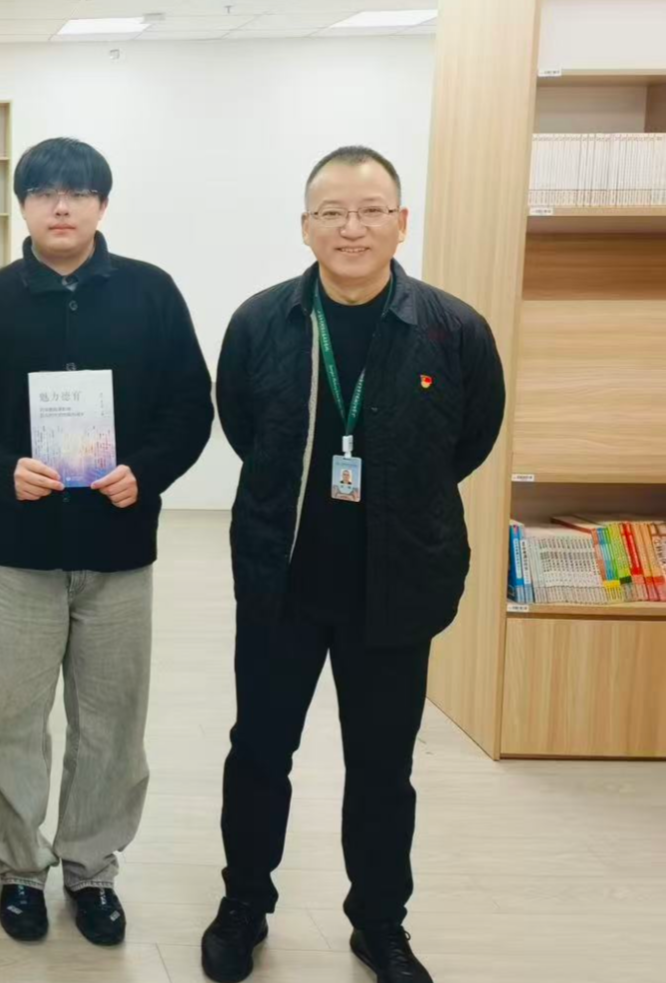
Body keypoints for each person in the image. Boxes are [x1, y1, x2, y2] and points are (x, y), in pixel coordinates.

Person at [200, 146, 504, 983]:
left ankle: (378, 921)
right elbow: (242, 425)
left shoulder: (452, 328)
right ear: (305, 227)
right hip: (282, 583)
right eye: (331, 212)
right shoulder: (260, 322)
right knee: (258, 752)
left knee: (381, 767)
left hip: (395, 588)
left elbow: (469, 438)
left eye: (370, 210)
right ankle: (243, 904)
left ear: (401, 223)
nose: (351, 228)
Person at [0, 137, 214, 947]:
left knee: (111, 720)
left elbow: (190, 405)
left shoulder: (151, 293)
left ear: (101, 204)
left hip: (117, 547)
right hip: (16, 548)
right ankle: (19, 867)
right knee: (14, 716)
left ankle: (91, 869)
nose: (61, 206)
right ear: (23, 205)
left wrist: (144, 472)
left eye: (78, 192)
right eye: (45, 192)